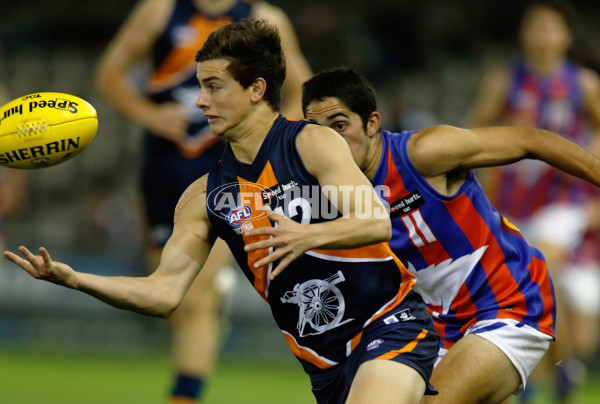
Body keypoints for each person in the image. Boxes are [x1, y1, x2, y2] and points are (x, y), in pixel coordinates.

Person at [5, 19, 439, 404]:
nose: (199, 101)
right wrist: (75, 279)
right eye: (200, 86)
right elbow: (163, 294)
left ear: (256, 89)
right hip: (324, 365)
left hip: (391, 324)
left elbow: (375, 220)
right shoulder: (204, 197)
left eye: (214, 86)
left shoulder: (311, 143)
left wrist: (307, 236)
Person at [301, 67, 600, 403]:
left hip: (506, 303)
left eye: (340, 126)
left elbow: (534, 140)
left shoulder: (423, 153)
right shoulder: (323, 195)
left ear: (372, 123)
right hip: (434, 328)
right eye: (318, 132)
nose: (330, 142)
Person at [93, 1, 312, 402]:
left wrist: (272, 138)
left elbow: (302, 87)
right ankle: (211, 309)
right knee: (169, 299)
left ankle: (185, 393)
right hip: (164, 172)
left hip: (228, 173)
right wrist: (149, 115)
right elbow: (108, 73)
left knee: (194, 298)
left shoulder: (266, 18)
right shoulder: (159, 11)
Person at [468, 2, 600, 401]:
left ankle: (556, 371)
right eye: (536, 26)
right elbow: (473, 135)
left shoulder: (585, 85)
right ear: (525, 33)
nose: (543, 34)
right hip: (513, 208)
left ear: (566, 36)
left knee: (551, 294)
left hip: (567, 204)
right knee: (537, 293)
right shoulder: (504, 82)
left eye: (550, 27)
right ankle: (549, 377)